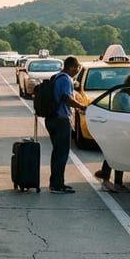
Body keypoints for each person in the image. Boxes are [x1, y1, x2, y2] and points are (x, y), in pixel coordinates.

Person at [94, 73, 130, 193]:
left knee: (116, 154)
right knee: (117, 155)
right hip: (120, 129)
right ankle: (110, 180)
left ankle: (114, 181)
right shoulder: (124, 97)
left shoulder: (123, 95)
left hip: (118, 128)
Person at [45, 55, 86, 194]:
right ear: (70, 67)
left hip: (52, 118)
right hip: (60, 119)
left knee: (57, 152)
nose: (78, 70)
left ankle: (56, 182)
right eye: (77, 67)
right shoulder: (66, 79)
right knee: (61, 153)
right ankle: (57, 185)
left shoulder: (57, 77)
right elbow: (66, 98)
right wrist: (81, 106)